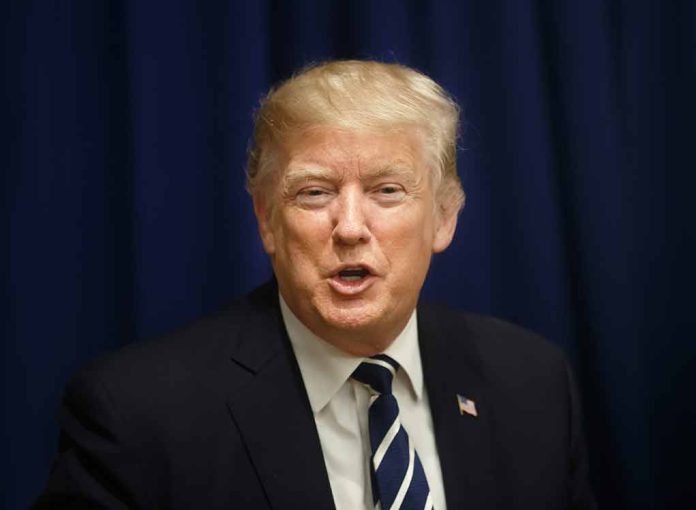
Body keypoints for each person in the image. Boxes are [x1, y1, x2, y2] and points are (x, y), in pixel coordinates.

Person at [33, 60, 596, 509]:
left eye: (387, 190)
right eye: (314, 192)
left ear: (445, 217)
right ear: (265, 221)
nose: (350, 228)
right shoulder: (135, 415)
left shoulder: (532, 384)